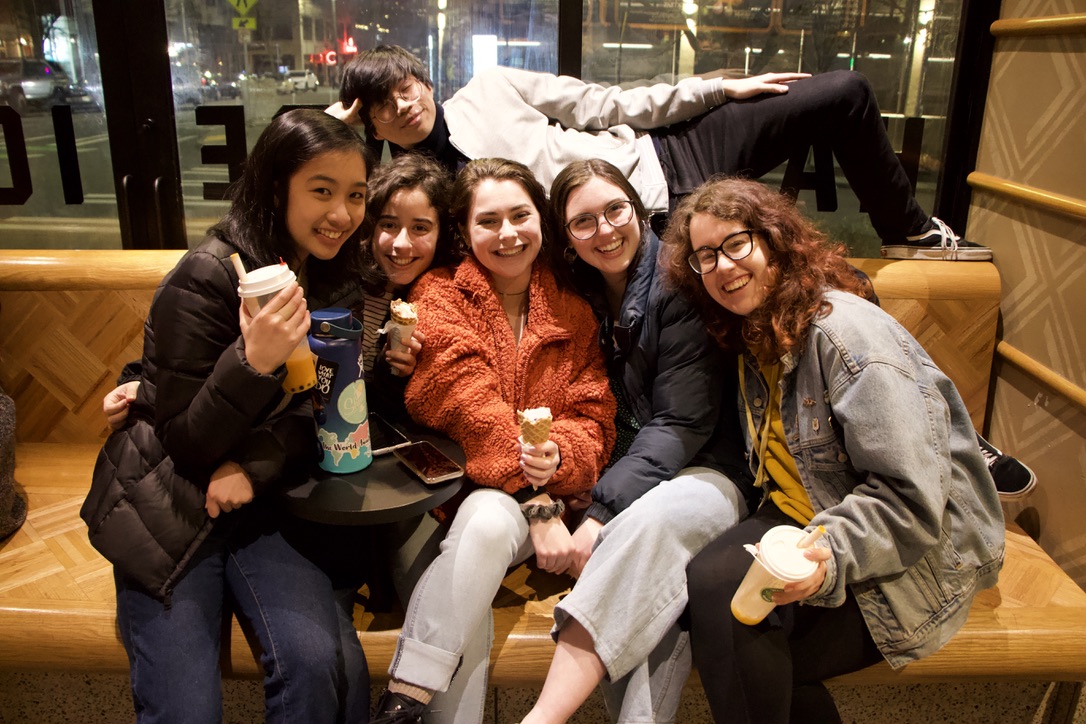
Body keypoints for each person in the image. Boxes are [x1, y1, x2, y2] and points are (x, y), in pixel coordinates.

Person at [660, 177, 1005, 722]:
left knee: (736, 636)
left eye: (735, 244)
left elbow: (909, 500)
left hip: (913, 553)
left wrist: (828, 560)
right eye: (706, 256)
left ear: (774, 241)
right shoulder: (754, 329)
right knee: (706, 599)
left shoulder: (846, 338)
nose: (722, 266)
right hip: (802, 512)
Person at [81, 109, 375, 723]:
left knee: (320, 666)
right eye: (321, 190)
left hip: (264, 505)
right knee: (184, 710)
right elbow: (187, 442)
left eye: (355, 195)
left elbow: (323, 413)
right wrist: (254, 359)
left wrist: (254, 463)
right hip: (167, 507)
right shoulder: (211, 275)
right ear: (276, 188)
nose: (342, 214)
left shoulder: (334, 280)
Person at [331, 44, 990, 262]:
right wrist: (331, 124)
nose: (404, 104)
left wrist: (717, 87)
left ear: (424, 81)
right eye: (383, 104)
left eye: (407, 86)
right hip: (628, 233)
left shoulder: (493, 88)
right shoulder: (409, 185)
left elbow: (608, 102)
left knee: (842, 91)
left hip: (661, 154)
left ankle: (908, 232)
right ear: (372, 121)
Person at [372, 158, 617, 723]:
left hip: (541, 506)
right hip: (460, 500)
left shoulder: (572, 313)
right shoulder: (437, 297)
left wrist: (562, 457)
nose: (507, 234)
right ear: (465, 230)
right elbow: (467, 404)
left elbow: (594, 418)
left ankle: (404, 696)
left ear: (542, 221)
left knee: (485, 520)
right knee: (482, 525)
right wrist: (537, 502)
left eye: (519, 216)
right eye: (488, 221)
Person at [515, 159, 753, 724]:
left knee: (640, 533)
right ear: (566, 237)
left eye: (615, 210)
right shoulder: (580, 294)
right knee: (656, 591)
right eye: (583, 222)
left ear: (639, 209)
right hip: (631, 473)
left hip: (708, 468)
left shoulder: (678, 284)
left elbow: (683, 424)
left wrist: (600, 509)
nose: (605, 230)